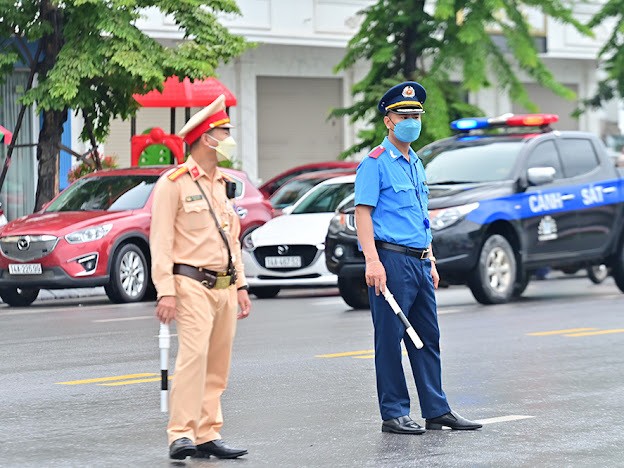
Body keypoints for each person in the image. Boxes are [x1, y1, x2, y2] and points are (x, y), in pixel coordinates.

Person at [354, 81, 482, 434]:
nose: (411, 120)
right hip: (390, 260)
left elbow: (420, 215)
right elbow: (362, 213)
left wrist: (432, 259)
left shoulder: (416, 162)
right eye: (404, 114)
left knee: (427, 335)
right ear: (388, 121)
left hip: (420, 260)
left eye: (416, 114)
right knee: (391, 338)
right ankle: (394, 411)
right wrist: (372, 261)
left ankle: (436, 408)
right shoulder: (375, 163)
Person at [150, 94, 252, 459]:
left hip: (225, 286)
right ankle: (181, 433)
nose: (228, 139)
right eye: (224, 132)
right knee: (193, 359)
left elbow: (232, 239)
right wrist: (165, 291)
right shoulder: (173, 183)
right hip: (190, 283)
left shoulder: (222, 183)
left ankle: (208, 432)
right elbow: (160, 241)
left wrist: (240, 285)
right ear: (205, 138)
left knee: (217, 364)